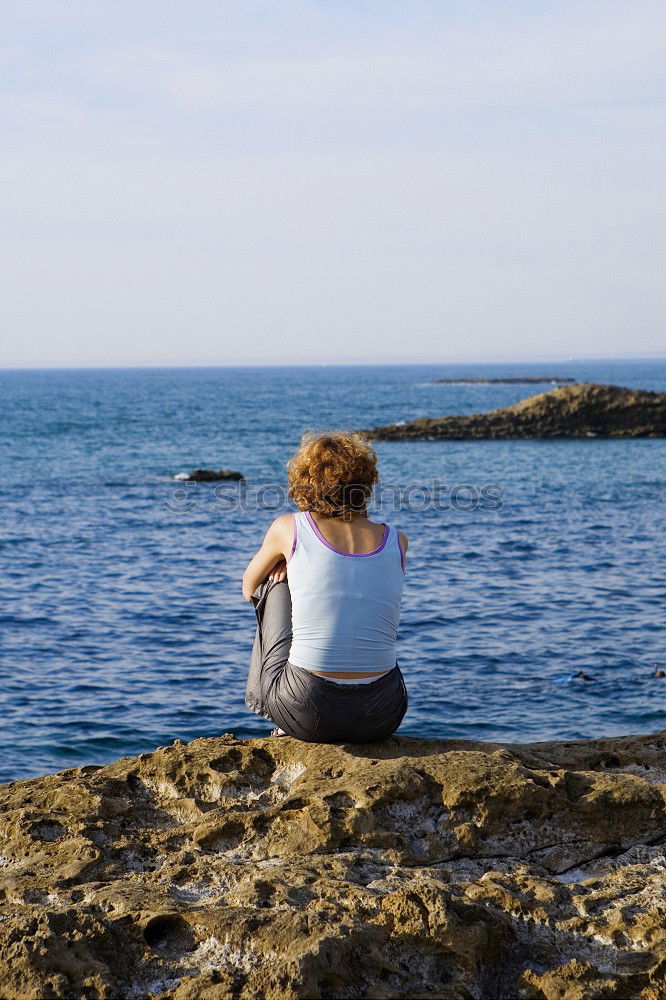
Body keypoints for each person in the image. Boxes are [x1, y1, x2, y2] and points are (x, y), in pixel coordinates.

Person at [242, 431, 408, 743]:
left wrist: (287, 564)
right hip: (384, 712)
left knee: (271, 584)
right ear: (365, 484)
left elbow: (248, 587)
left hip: (308, 711)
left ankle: (275, 716)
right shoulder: (397, 539)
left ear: (305, 482)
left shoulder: (289, 527)